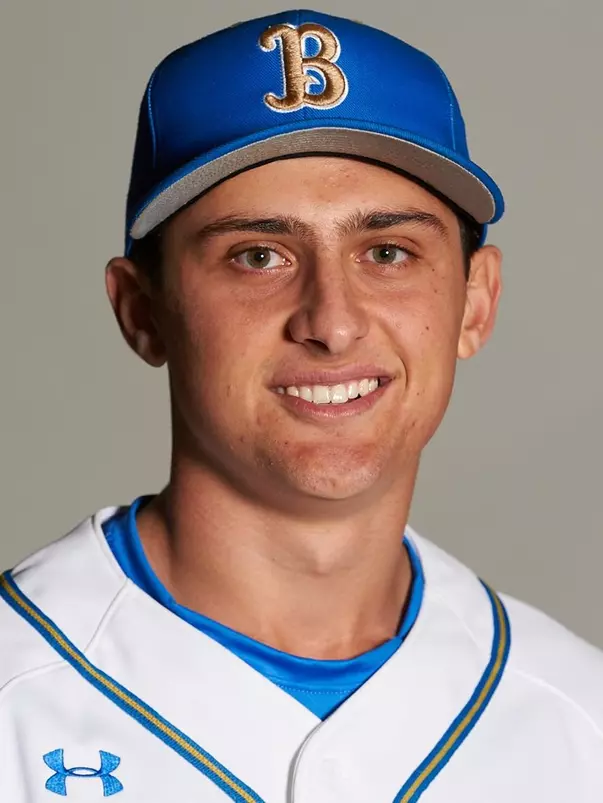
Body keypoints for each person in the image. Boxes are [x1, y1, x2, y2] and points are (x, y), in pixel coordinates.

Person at [1, 9, 602, 802]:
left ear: (474, 303)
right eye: (257, 255)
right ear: (141, 309)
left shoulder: (578, 716)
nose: (332, 320)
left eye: (386, 252)